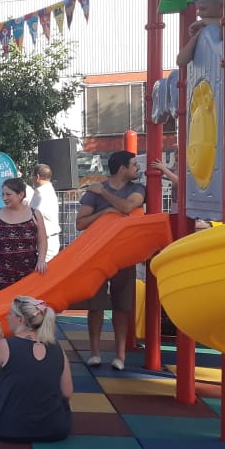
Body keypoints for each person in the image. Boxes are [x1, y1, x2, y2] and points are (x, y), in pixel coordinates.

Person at [0, 296, 73, 442]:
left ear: (20, 320)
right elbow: (67, 392)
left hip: (8, 429)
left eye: (10, 314)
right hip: (56, 429)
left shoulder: (5, 345)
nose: (7, 318)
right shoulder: (57, 348)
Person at [75, 151, 146, 371]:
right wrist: (106, 212)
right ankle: (95, 353)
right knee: (95, 306)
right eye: (134, 164)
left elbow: (127, 207)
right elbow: (81, 223)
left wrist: (105, 195)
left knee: (122, 306)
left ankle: (120, 355)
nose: (138, 168)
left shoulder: (137, 189)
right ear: (122, 169)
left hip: (124, 254)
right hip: (97, 254)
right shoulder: (94, 193)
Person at [0, 178, 49, 292]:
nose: (4, 198)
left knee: (26, 305)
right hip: (1, 273)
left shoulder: (35, 215)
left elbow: (42, 240)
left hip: (28, 271)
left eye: (8, 194)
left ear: (21, 194)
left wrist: (41, 260)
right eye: (2, 194)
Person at [176, 0, 224, 68]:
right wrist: (194, 38)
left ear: (221, 7)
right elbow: (181, 61)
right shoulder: (202, 28)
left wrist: (206, 21)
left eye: (202, 9)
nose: (198, 13)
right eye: (197, 9)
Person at [28, 164, 62, 262]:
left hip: (47, 241)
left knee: (43, 275)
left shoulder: (42, 194)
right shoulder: (45, 191)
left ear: (37, 177)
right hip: (46, 240)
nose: (31, 179)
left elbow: (33, 218)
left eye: (32, 176)